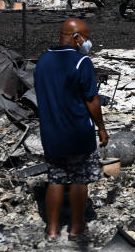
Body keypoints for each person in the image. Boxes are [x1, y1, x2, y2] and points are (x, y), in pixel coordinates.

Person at [34, 18, 108, 240]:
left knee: (55, 179)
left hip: (51, 132)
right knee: (79, 179)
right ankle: (77, 228)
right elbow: (92, 100)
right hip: (77, 132)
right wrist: (101, 128)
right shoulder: (81, 62)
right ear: (76, 38)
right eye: (85, 37)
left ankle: (52, 230)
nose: (87, 42)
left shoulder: (43, 61)